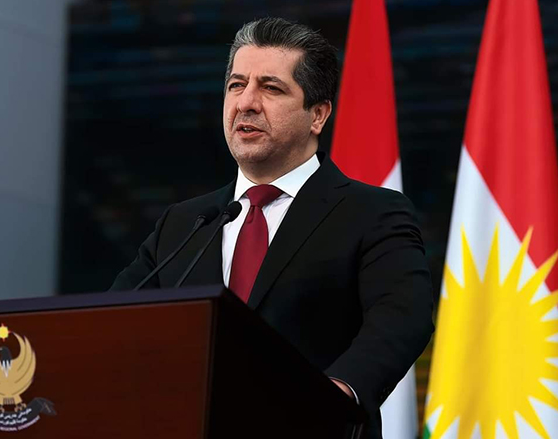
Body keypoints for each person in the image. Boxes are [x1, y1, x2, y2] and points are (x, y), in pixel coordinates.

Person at [110, 17, 433, 439]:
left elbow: (402, 316)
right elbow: (113, 319)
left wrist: (334, 393)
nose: (246, 102)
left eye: (271, 88)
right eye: (236, 85)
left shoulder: (373, 213)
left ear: (317, 115)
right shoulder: (185, 223)